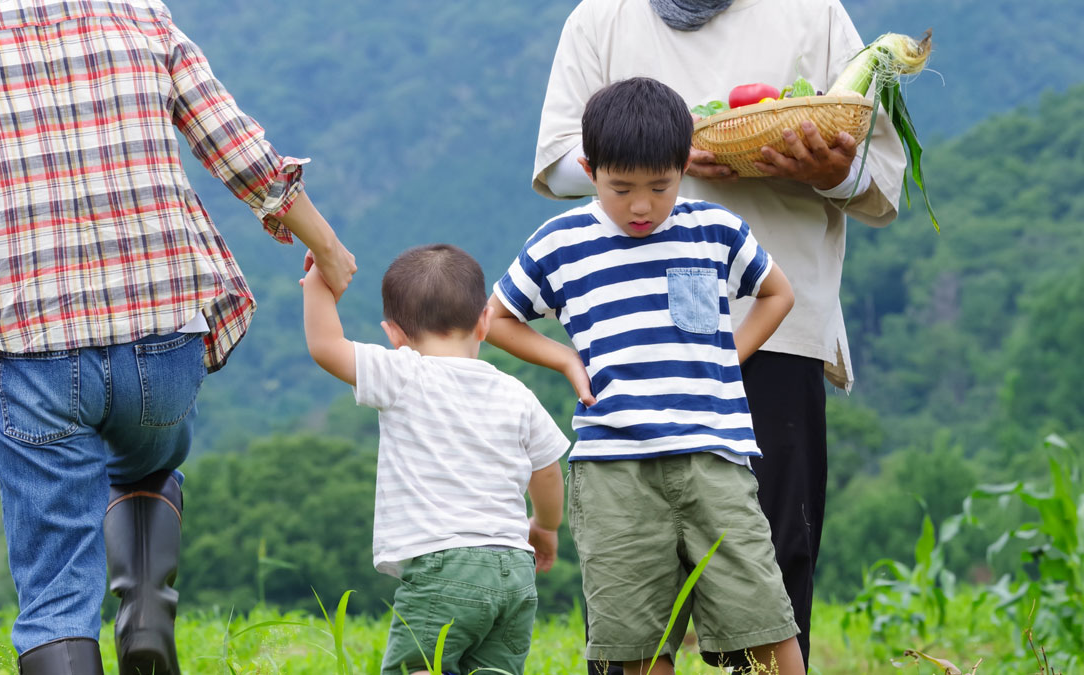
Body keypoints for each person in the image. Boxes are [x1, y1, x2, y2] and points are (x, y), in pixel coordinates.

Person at [0, 0, 355, 673]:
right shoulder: (143, 19)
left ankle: (102, 631)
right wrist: (330, 250)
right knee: (146, 462)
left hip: (26, 350)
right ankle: (145, 617)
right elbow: (243, 154)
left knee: (53, 598)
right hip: (161, 341)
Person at [532, 1, 909, 670]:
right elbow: (560, 159)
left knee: (771, 571)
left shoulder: (813, 14)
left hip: (771, 330)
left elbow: (881, 177)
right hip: (636, 346)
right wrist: (672, 154)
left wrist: (823, 167)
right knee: (629, 595)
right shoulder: (602, 18)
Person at [488, 76, 802, 674]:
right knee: (637, 641)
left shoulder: (715, 229)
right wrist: (564, 358)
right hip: (614, 472)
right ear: (590, 168)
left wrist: (729, 357)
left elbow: (777, 293)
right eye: (620, 187)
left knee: (762, 616)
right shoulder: (563, 242)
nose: (640, 206)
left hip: (714, 456)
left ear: (684, 166)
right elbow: (497, 317)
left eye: (660, 186)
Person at [302, 243, 569, 675]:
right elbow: (547, 469)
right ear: (484, 320)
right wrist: (546, 526)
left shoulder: (403, 373)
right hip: (515, 568)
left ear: (394, 334)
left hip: (444, 564)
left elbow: (326, 345)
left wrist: (318, 282)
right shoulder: (517, 393)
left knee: (420, 668)